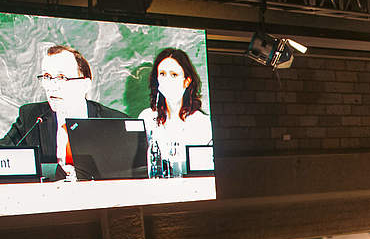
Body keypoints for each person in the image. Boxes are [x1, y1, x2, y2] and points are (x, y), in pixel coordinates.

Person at [0, 44, 128, 181]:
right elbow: (4, 160)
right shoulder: (31, 116)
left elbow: (129, 174)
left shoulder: (114, 122)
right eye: (47, 76)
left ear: (85, 85)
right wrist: (51, 171)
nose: (52, 86)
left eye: (61, 77)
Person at [138, 47, 212, 178]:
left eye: (174, 75)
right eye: (162, 74)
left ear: (187, 81)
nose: (167, 80)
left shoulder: (202, 123)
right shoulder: (147, 118)